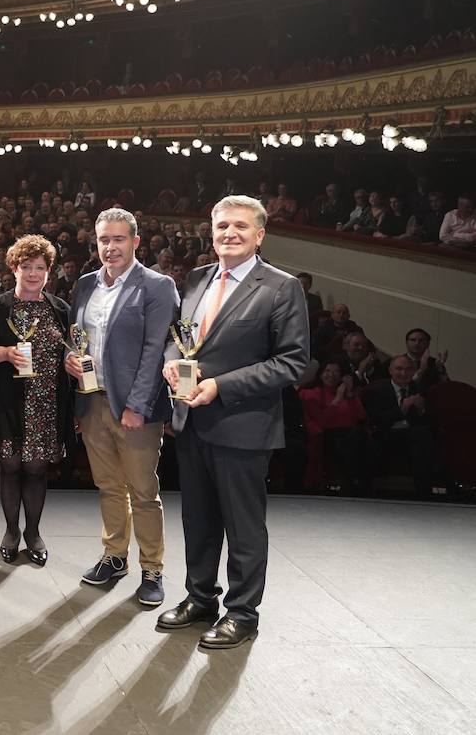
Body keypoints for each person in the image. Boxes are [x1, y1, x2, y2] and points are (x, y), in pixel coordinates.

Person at [157, 195, 309, 650]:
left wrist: (221, 386)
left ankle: (242, 613)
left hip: (243, 425)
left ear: (260, 235)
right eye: (222, 226)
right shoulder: (199, 277)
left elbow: (293, 363)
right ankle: (200, 598)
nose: (230, 233)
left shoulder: (282, 287)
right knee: (198, 521)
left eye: (241, 226)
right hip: (192, 422)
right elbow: (179, 340)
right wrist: (170, 364)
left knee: (243, 527)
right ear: (212, 231)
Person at [67, 209, 178, 606]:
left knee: (144, 491)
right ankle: (115, 557)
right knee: (109, 487)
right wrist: (70, 359)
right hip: (92, 402)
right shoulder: (84, 285)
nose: (110, 247)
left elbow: (155, 351)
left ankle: (153, 569)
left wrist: (138, 406)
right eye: (103, 240)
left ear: (135, 241)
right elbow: (79, 337)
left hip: (135, 410)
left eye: (117, 239)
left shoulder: (157, 286)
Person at [0, 235, 73, 567]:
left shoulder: (60, 309)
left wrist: (73, 359)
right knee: (10, 465)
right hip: (7, 402)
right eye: (26, 267)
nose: (32, 273)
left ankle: (34, 533)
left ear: (49, 271)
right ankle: (12, 531)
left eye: (39, 268)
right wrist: (3, 353)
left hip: (46, 404)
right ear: (13, 268)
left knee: (37, 469)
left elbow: (71, 350)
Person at [361, 354, 441, 498]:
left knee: (419, 445)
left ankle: (423, 494)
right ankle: (441, 477)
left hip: (411, 437)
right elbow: (376, 419)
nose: (403, 373)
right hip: (386, 435)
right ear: (390, 371)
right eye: (399, 369)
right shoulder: (377, 389)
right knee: (422, 435)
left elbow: (430, 420)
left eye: (408, 369)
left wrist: (422, 409)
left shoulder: (419, 388)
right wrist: (402, 410)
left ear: (414, 371)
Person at [299, 360, 367, 492]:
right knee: (348, 438)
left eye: (336, 371)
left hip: (351, 435)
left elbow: (361, 417)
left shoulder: (349, 395)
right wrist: (336, 400)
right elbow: (321, 422)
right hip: (326, 434)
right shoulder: (311, 394)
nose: (332, 375)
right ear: (320, 374)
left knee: (358, 436)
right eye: (327, 371)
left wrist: (349, 395)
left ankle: (354, 482)